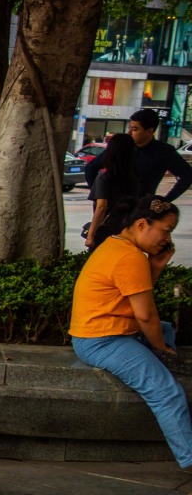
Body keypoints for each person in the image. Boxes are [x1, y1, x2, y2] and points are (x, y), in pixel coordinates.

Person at [70, 197, 191, 470]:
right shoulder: (130, 257)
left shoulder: (116, 244)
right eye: (166, 230)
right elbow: (146, 314)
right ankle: (190, 458)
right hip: (102, 341)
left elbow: (135, 295)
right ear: (141, 225)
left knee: (165, 329)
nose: (167, 238)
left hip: (106, 333)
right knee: (167, 393)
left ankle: (158, 361)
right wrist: (161, 348)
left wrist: (156, 267)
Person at [85, 108, 192, 201]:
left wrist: (166, 200)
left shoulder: (163, 151)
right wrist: (99, 195)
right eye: (129, 128)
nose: (130, 133)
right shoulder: (121, 147)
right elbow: (91, 167)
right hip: (115, 207)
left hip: (141, 208)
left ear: (149, 131)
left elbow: (187, 175)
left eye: (135, 129)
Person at [84, 133, 140, 250]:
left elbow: (101, 207)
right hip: (126, 230)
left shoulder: (105, 177)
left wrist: (91, 234)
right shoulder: (134, 178)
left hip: (106, 230)